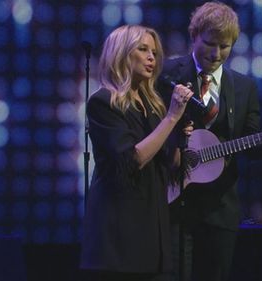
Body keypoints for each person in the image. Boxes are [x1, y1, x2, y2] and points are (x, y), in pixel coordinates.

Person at [157, 2, 262, 281]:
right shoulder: (167, 74)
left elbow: (250, 141)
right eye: (210, 44)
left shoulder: (244, 87)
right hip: (172, 204)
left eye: (225, 46)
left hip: (220, 210)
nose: (216, 54)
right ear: (194, 36)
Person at [79, 25, 195, 281]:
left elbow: (168, 162)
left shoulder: (153, 107)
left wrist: (182, 136)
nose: (152, 57)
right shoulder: (103, 102)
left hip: (153, 231)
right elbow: (132, 159)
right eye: (143, 49)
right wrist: (172, 117)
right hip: (119, 235)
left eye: (154, 51)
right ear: (121, 54)